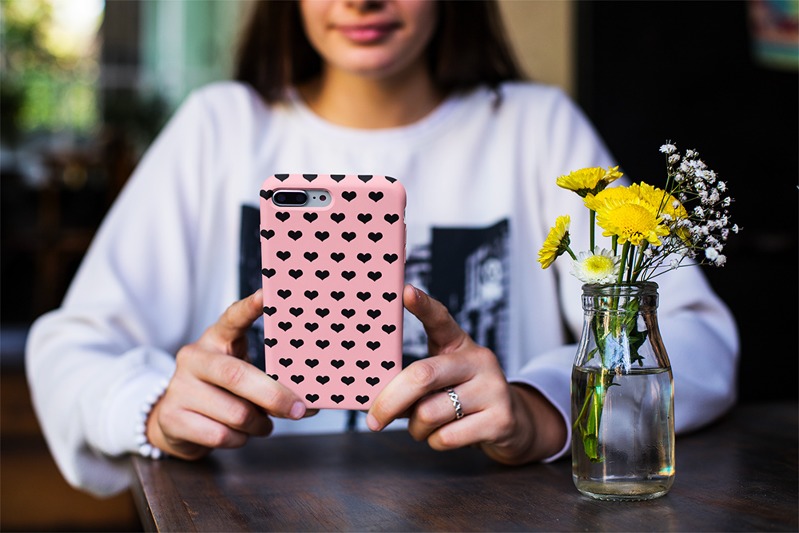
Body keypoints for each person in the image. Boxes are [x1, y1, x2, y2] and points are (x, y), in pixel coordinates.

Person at [26, 0, 739, 497]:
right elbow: (70, 347)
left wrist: (540, 405)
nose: (361, 1)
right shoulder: (219, 127)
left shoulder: (535, 126)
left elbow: (694, 336)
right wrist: (155, 409)